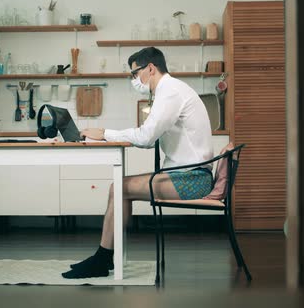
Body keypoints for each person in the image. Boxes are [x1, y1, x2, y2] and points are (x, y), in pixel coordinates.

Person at [61, 47, 214, 279]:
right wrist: (109, 134)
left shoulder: (170, 91)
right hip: (188, 175)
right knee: (119, 187)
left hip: (192, 179)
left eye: (135, 73)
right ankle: (106, 257)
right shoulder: (171, 90)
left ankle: (103, 258)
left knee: (119, 188)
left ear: (150, 68)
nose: (134, 79)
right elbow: (149, 133)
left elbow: (145, 137)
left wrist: (103, 132)